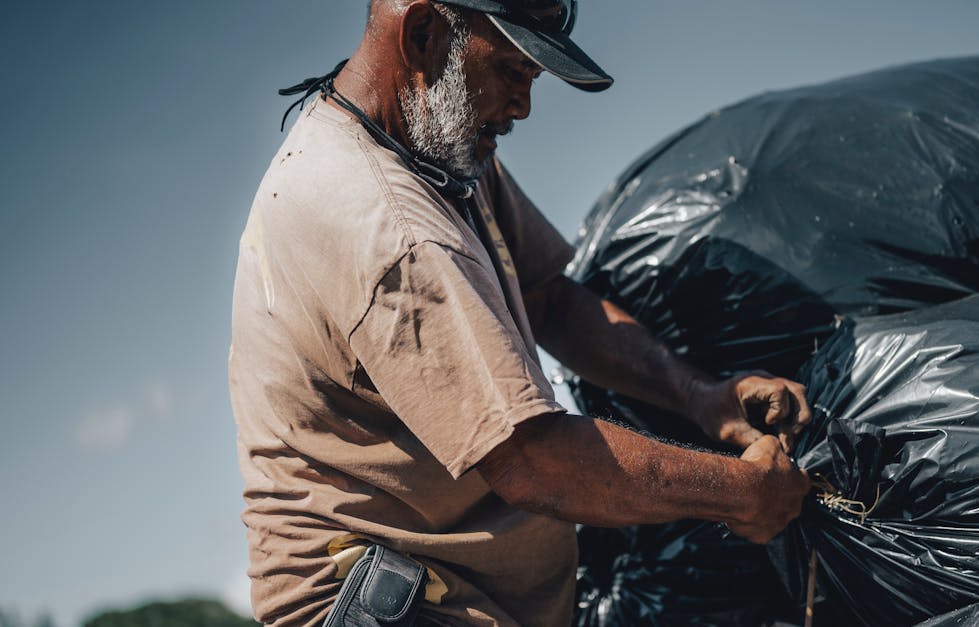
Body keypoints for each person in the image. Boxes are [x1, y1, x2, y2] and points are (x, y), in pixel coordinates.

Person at [229, 1, 813, 625]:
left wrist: (700, 395)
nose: (524, 106)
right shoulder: (385, 226)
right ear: (424, 34)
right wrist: (739, 494)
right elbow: (532, 460)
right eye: (511, 70)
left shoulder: (442, 153)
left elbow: (548, 298)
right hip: (386, 602)